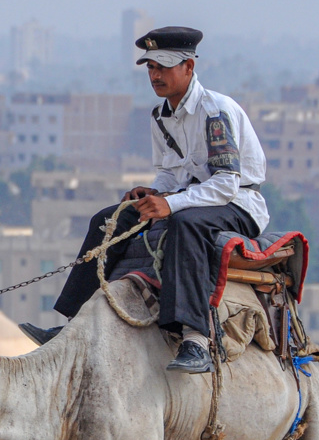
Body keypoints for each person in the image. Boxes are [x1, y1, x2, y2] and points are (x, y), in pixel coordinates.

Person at [19, 26, 269, 373]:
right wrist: (153, 192)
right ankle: (73, 325)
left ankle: (195, 339)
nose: (155, 75)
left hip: (237, 205)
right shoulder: (160, 115)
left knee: (186, 225)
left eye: (163, 67)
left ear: (188, 68)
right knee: (110, 219)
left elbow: (227, 183)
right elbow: (170, 172)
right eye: (151, 67)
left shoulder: (214, 113)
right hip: (191, 197)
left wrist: (171, 204)